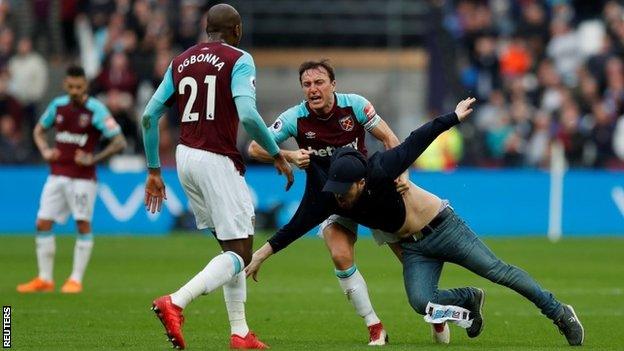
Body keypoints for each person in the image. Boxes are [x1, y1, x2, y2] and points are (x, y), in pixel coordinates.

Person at [246, 97, 585, 346]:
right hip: (415, 248)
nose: (338, 198)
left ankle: (559, 312)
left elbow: (417, 139)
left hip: (444, 228)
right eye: (334, 190)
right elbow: (296, 226)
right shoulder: (331, 195)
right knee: (422, 303)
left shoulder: (381, 170)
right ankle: (468, 298)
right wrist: (262, 254)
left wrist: (452, 115)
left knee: (500, 271)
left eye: (343, 191)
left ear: (361, 182)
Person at [141, 4, 293, 350]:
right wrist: (276, 152)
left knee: (230, 246)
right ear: (236, 30)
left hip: (185, 158)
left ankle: (240, 333)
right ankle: (175, 302)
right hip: (216, 160)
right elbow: (250, 116)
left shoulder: (179, 61)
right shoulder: (239, 58)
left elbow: (150, 116)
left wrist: (153, 169)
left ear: (206, 28)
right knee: (241, 252)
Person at [247, 59, 409, 345]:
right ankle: (374, 325)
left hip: (366, 192)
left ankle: (432, 310)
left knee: (408, 257)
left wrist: (402, 174)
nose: (313, 89)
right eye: (307, 84)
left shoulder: (355, 106)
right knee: (340, 254)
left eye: (319, 82)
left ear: (333, 84)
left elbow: (390, 139)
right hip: (331, 198)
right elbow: (254, 147)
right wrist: (288, 155)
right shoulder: (294, 118)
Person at [16, 65, 127, 294]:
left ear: (85, 85)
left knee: (82, 224)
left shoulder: (96, 109)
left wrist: (93, 159)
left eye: (79, 86)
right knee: (42, 223)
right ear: (65, 85)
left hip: (83, 179)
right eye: (71, 86)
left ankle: (75, 279)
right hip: (57, 175)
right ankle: (45, 278)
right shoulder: (58, 106)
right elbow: (38, 130)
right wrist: (45, 150)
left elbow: (119, 142)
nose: (75, 90)